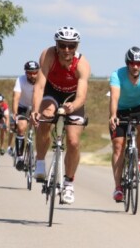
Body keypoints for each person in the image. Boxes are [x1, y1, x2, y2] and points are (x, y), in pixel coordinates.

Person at [31, 26, 91, 205]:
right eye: (63, 45)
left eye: (71, 46)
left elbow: (81, 96)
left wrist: (72, 106)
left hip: (73, 97)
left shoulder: (82, 64)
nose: (67, 49)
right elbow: (40, 87)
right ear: (56, 45)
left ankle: (68, 183)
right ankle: (40, 161)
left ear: (76, 47)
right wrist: (35, 110)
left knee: (73, 141)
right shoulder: (48, 55)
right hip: (52, 91)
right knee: (45, 116)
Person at [108, 46, 140, 202]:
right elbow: (114, 98)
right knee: (118, 146)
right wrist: (113, 115)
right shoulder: (117, 75)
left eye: (138, 63)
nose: (135, 66)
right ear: (127, 63)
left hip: (139, 108)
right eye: (132, 63)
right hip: (121, 110)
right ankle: (118, 188)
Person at [11, 60, 40, 171]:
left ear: (38, 72)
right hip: (23, 107)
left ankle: (39, 157)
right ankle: (20, 157)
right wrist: (15, 113)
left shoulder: (42, 80)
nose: (32, 75)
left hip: (37, 107)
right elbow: (16, 97)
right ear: (25, 72)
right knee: (21, 126)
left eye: (34, 72)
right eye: (29, 72)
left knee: (39, 129)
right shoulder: (20, 80)